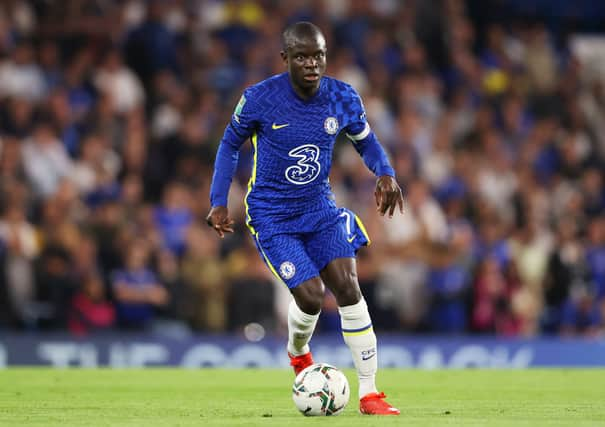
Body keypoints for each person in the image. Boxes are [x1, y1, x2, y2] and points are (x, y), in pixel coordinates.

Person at [206, 22, 403, 415]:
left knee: (348, 286)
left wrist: (385, 173)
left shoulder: (343, 97)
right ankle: (298, 352)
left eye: (318, 56)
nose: (311, 64)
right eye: (302, 57)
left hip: (320, 209)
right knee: (311, 295)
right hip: (272, 215)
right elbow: (229, 143)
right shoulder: (259, 98)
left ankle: (370, 393)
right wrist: (218, 200)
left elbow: (367, 141)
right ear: (286, 59)